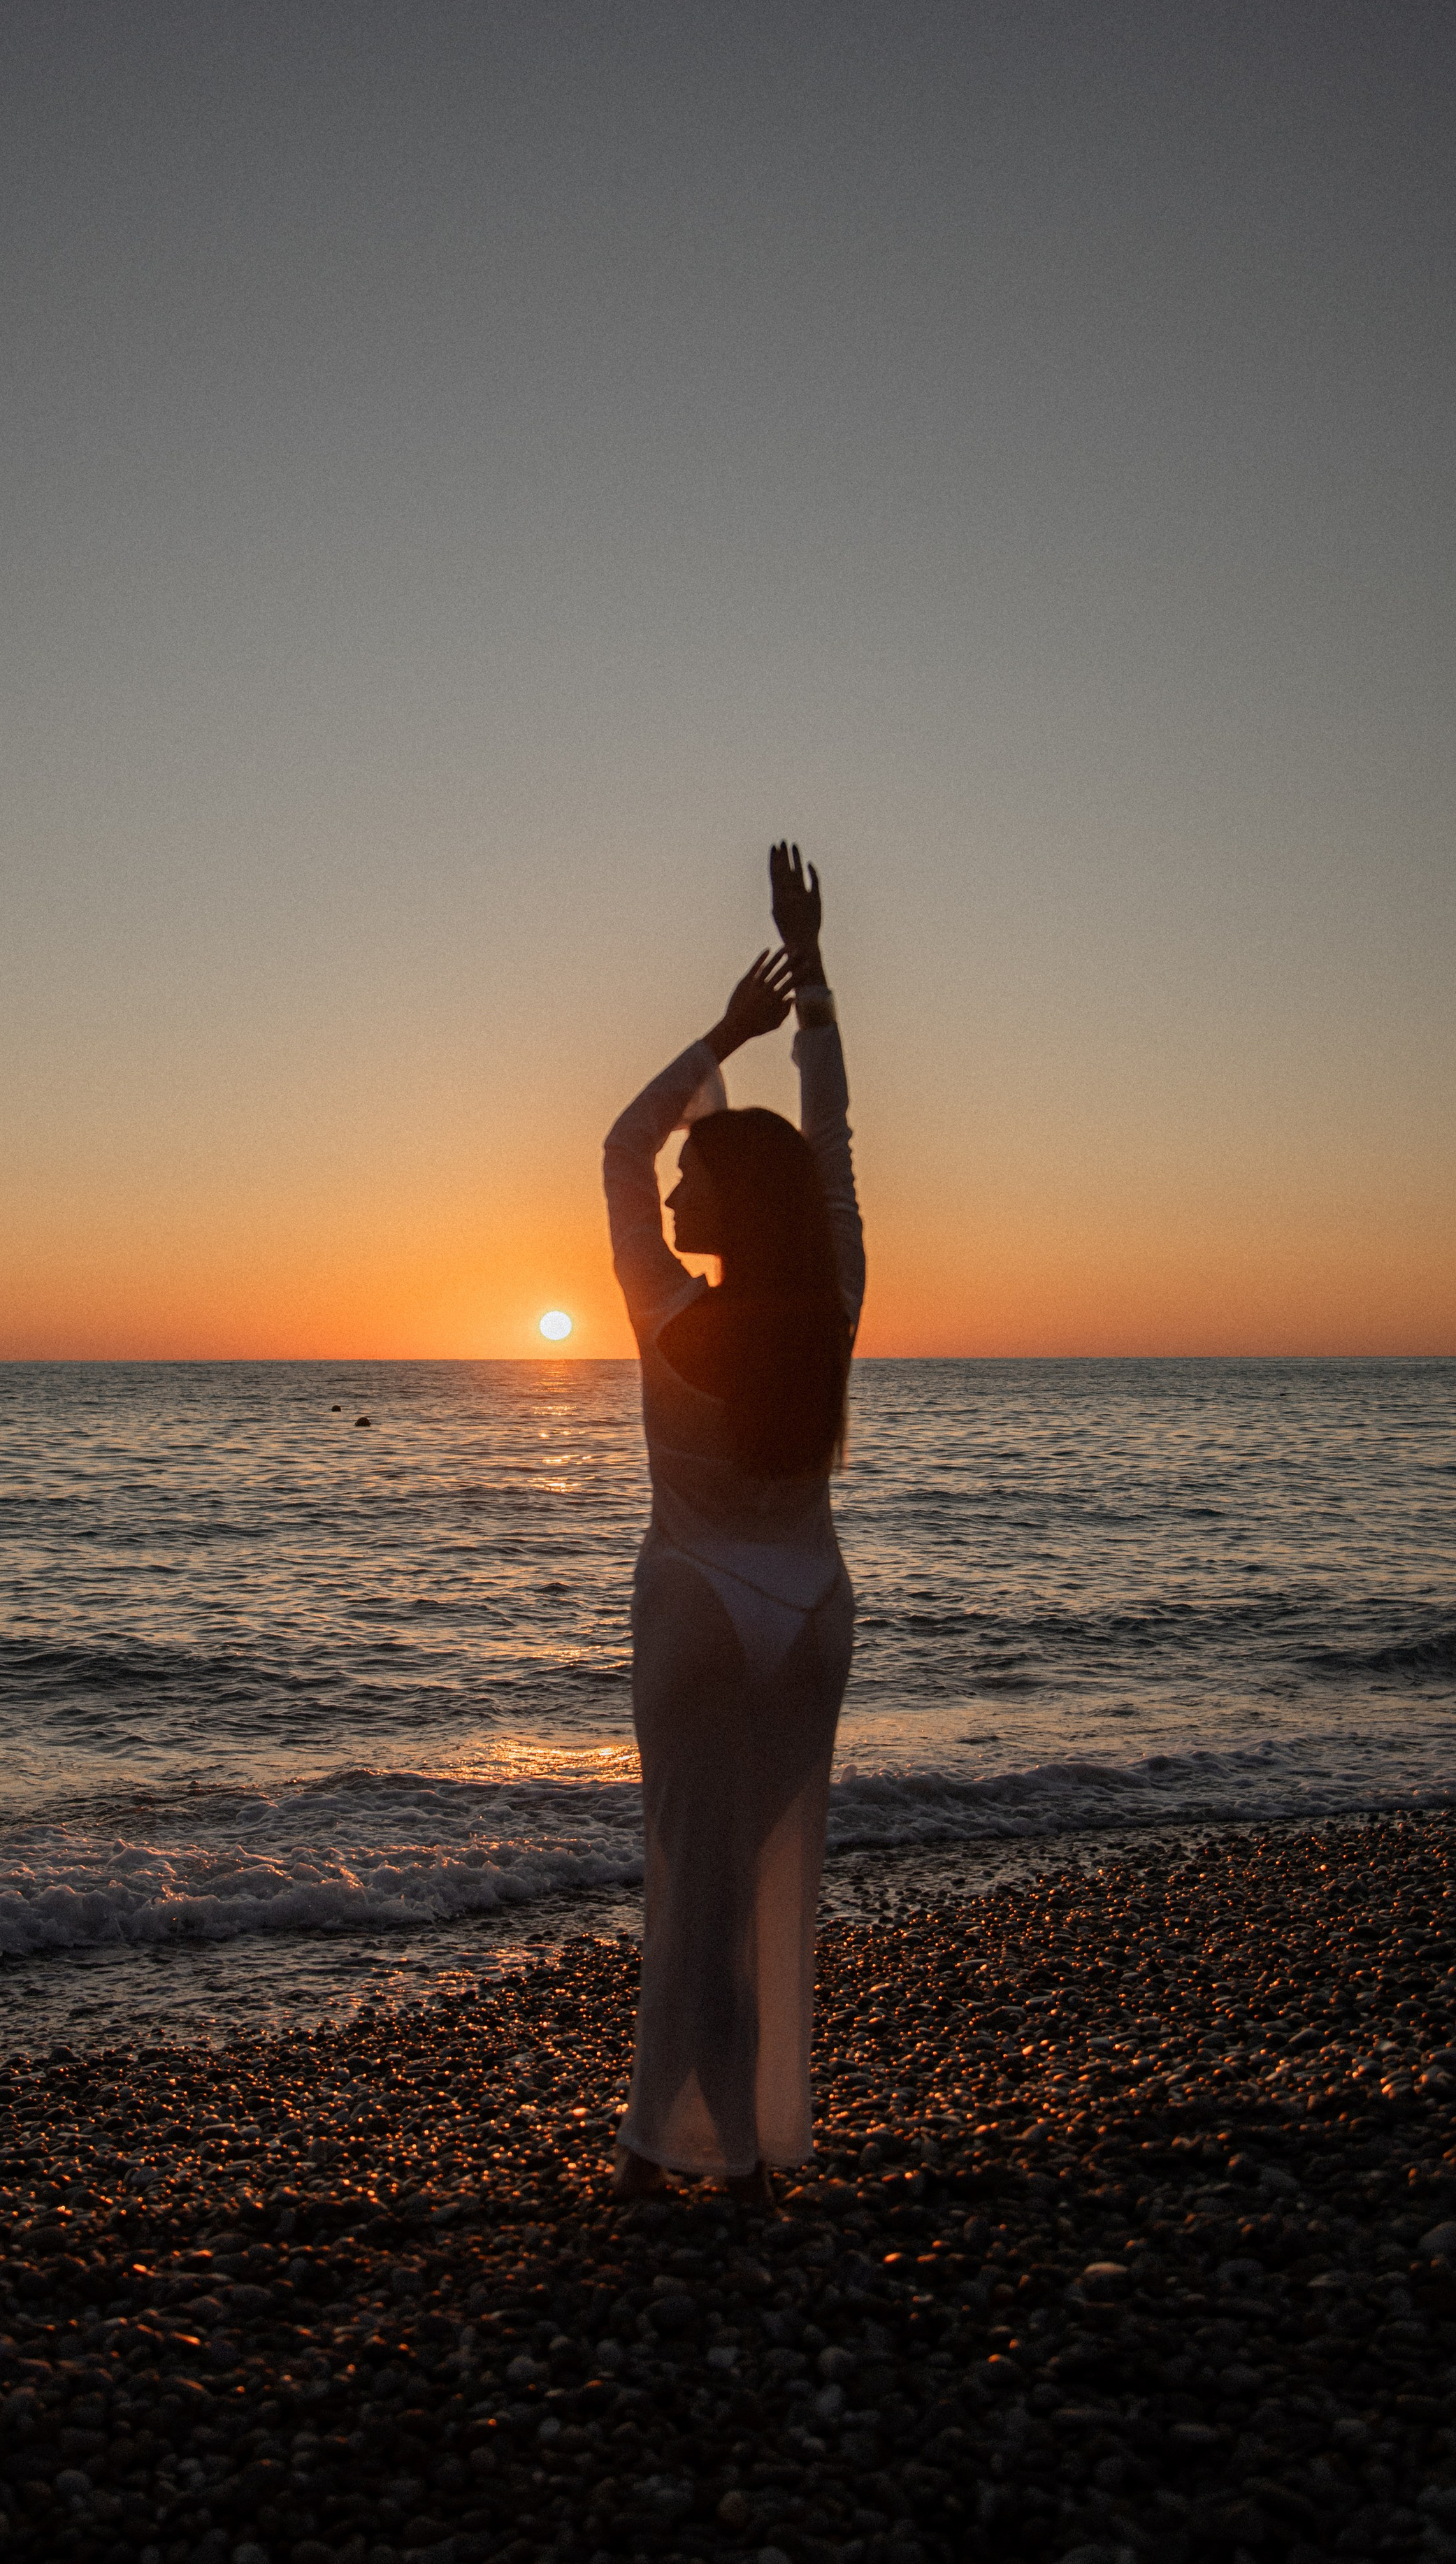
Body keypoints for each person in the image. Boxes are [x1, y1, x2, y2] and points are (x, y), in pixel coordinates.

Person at [601, 842, 865, 2205]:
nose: (668, 1195)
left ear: (727, 1204)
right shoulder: (832, 1300)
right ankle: (739, 2148)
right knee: (762, 1882)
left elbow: (617, 1146)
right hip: (809, 1615)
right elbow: (830, 1144)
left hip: (702, 1611)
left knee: (688, 1894)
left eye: (691, 1180)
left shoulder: (664, 1311)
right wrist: (808, 976)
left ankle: (674, 2155)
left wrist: (723, 1033)